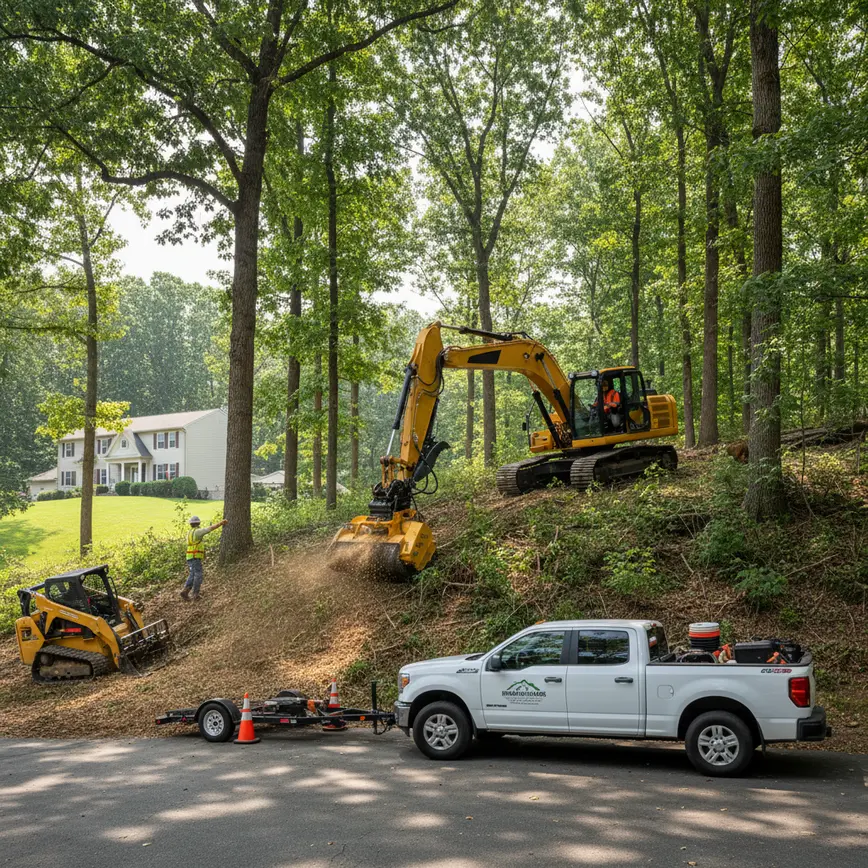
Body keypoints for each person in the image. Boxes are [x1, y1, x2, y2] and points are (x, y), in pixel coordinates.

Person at [180, 515, 228, 602]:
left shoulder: (189, 532)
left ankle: (185, 591)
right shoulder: (198, 532)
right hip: (195, 557)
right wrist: (221, 523)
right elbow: (210, 528)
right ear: (198, 523)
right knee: (198, 575)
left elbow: (196, 544)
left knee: (192, 574)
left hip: (190, 556)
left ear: (190, 524)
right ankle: (195, 594)